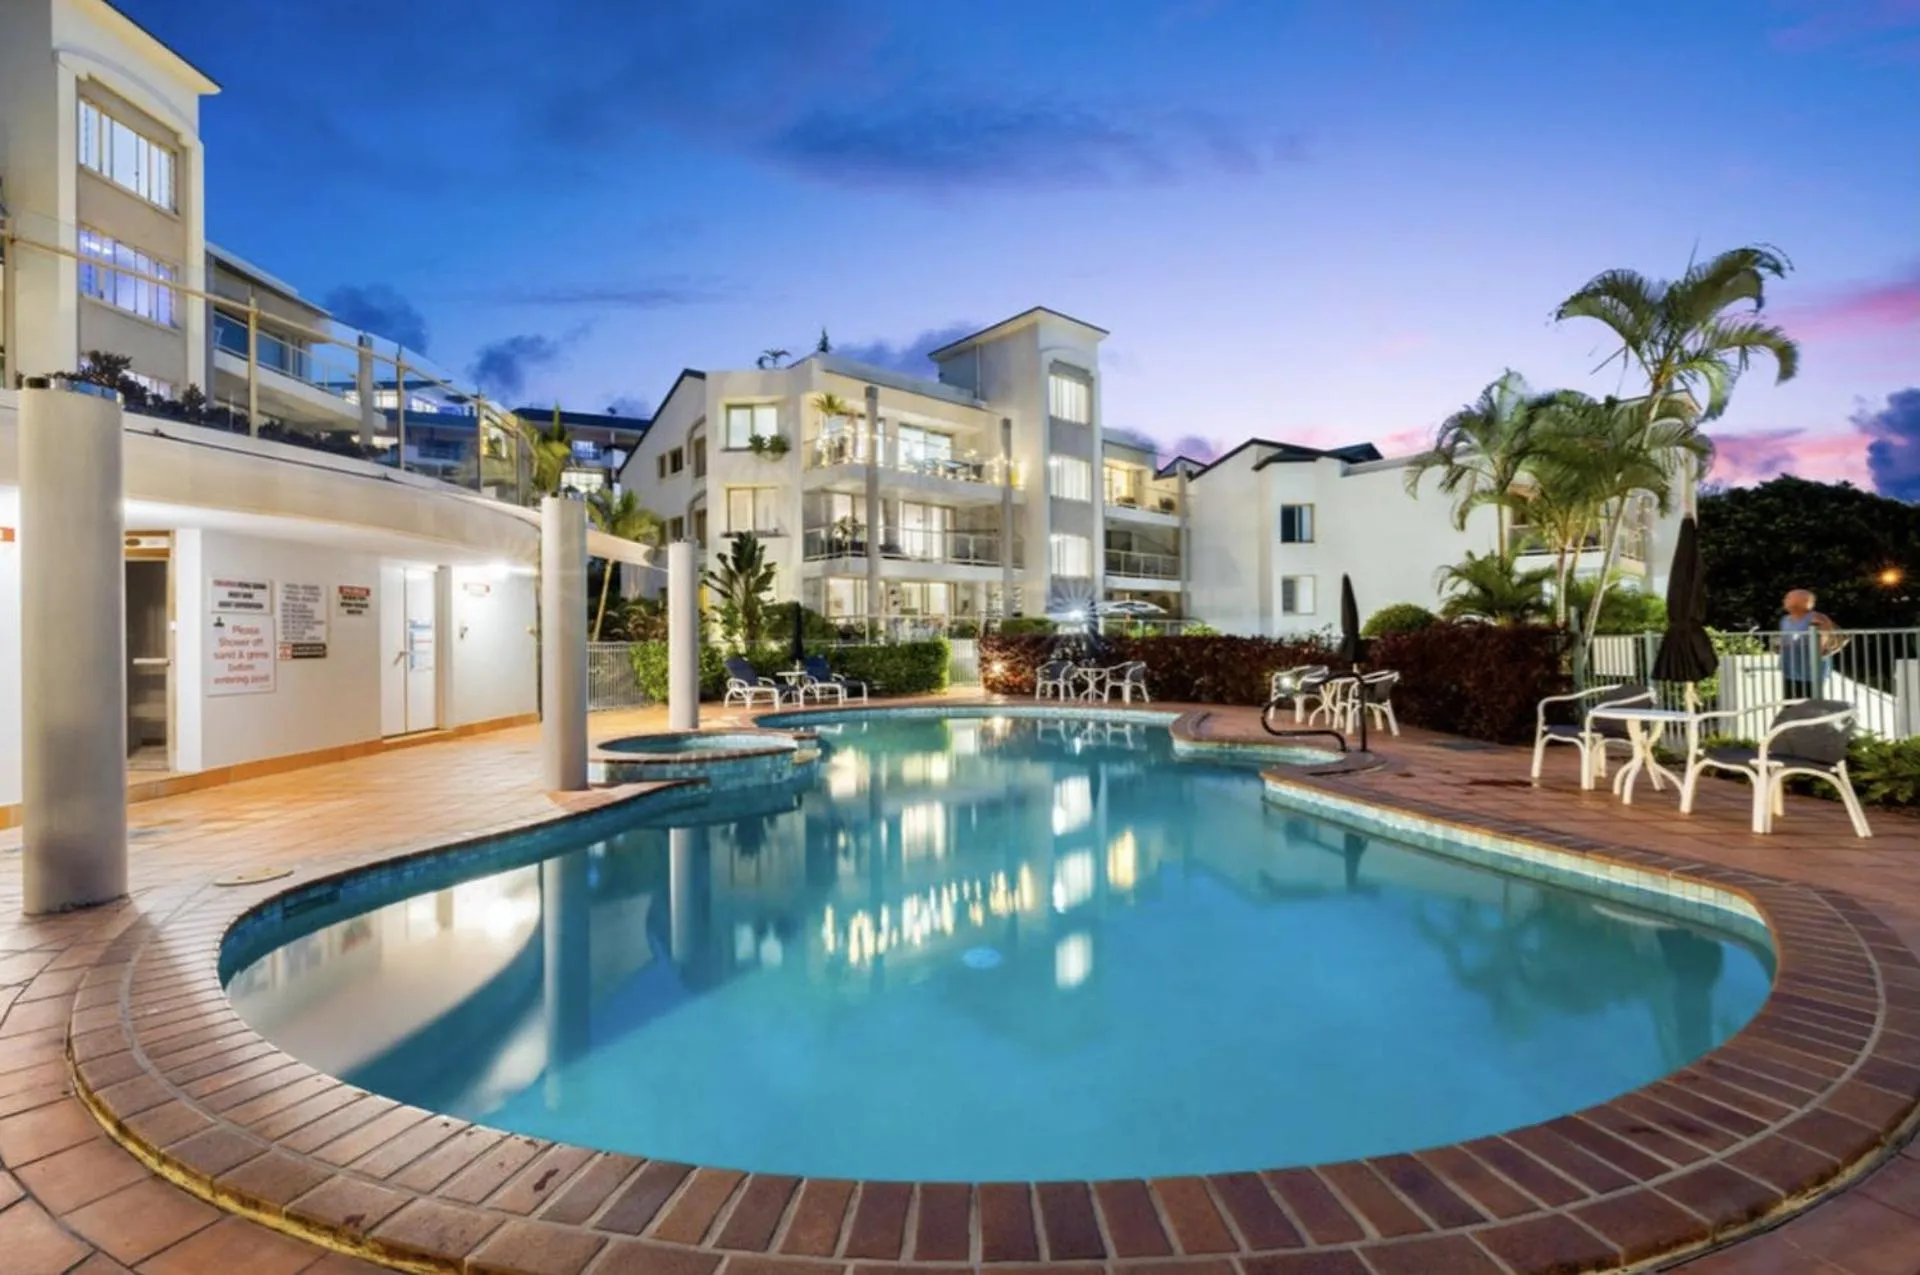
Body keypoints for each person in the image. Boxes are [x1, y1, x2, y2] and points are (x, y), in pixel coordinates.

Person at [1779, 588, 1837, 701]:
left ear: (1801, 601)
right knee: (1791, 702)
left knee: (1810, 703)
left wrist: (1817, 656)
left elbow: (1824, 641)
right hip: (1790, 668)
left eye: (1788, 598)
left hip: (1811, 671)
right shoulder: (1785, 620)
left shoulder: (1817, 618)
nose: (1784, 600)